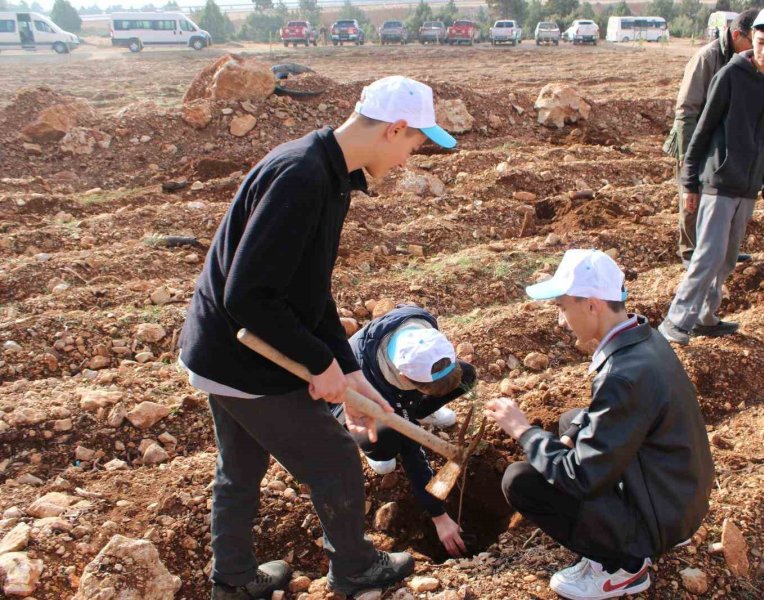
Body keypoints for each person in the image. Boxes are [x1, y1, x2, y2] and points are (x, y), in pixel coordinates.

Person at [178, 76, 458, 600]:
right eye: (414, 145)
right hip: (242, 357)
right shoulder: (301, 177)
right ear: (395, 130)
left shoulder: (327, 172)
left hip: (223, 350)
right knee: (333, 460)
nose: (407, 161)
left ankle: (234, 577)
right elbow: (250, 297)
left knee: (239, 467)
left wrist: (346, 366)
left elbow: (310, 291)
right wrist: (317, 363)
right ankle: (354, 569)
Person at [484, 249, 714, 600]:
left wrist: (523, 431)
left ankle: (622, 567)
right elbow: (614, 418)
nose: (561, 320)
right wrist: (571, 437)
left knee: (519, 481)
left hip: (662, 519)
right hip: (678, 496)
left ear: (592, 305)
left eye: (562, 307)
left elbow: (582, 478)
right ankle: (635, 536)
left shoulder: (623, 375)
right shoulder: (643, 339)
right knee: (570, 422)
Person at [659, 7, 764, 346]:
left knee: (729, 257)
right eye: (760, 41)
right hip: (717, 180)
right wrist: (689, 182)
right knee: (708, 253)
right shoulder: (731, 75)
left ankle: (706, 317)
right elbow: (702, 130)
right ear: (752, 39)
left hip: (748, 186)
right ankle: (675, 322)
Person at [330, 305, 477, 558]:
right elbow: (412, 453)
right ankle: (374, 448)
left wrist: (414, 406)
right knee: (388, 443)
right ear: (404, 376)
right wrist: (439, 516)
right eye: (423, 390)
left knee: (467, 375)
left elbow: (442, 371)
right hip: (353, 403)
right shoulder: (378, 383)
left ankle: (415, 412)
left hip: (399, 394)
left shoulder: (420, 323)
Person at [664, 9, 758, 267]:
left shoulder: (751, 63)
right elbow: (687, 110)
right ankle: (690, 254)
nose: (758, 49)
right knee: (692, 200)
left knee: (724, 200)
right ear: (738, 35)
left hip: (726, 143)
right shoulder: (708, 58)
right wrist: (688, 157)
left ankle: (722, 250)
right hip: (696, 140)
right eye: (754, 41)